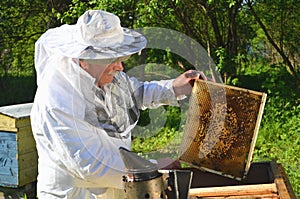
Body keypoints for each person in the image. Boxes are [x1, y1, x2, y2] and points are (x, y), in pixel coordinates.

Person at [30, 10, 206, 198]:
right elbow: (90, 164)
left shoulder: (103, 75)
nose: (120, 67)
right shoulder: (58, 99)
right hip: (74, 193)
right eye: (112, 59)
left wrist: (174, 87)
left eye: (120, 58)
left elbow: (135, 93)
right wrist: (153, 167)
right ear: (83, 59)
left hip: (116, 186)